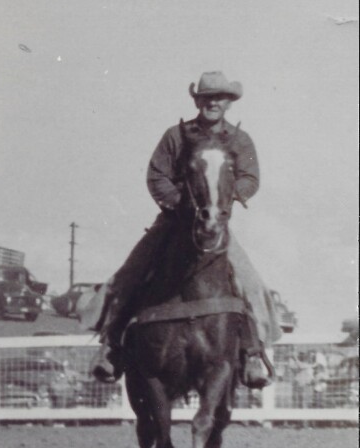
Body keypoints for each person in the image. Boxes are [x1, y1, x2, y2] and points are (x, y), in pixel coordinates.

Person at [91, 72, 279, 389]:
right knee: (129, 274)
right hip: (174, 221)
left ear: (228, 103)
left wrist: (222, 199)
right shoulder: (175, 136)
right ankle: (110, 347)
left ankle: (253, 355)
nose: (213, 102)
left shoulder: (240, 141)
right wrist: (181, 204)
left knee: (250, 282)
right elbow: (157, 175)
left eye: (219, 97)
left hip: (215, 224)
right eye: (207, 97)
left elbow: (250, 177)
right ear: (197, 101)